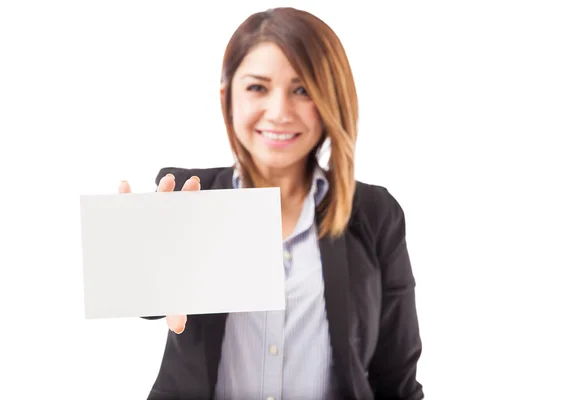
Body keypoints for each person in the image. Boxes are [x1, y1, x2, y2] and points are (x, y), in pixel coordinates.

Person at [119, 7, 424, 400]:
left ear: (332, 98)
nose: (279, 112)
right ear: (228, 98)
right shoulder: (189, 195)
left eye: (302, 89)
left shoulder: (374, 213)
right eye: (257, 88)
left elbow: (396, 379)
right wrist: (137, 264)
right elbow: (149, 296)